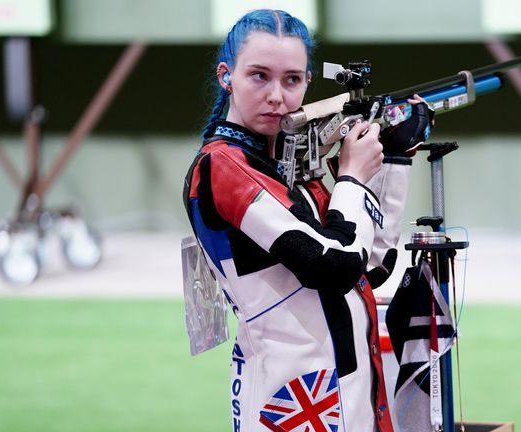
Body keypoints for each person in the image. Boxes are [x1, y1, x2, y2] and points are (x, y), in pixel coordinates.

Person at [183, 9, 433, 432]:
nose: (277, 96)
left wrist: (392, 161)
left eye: (292, 79)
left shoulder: (290, 167)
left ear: (308, 82)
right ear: (227, 76)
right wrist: (352, 176)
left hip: (346, 394)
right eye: (259, 76)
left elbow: (368, 266)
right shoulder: (223, 167)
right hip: (294, 401)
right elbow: (331, 268)